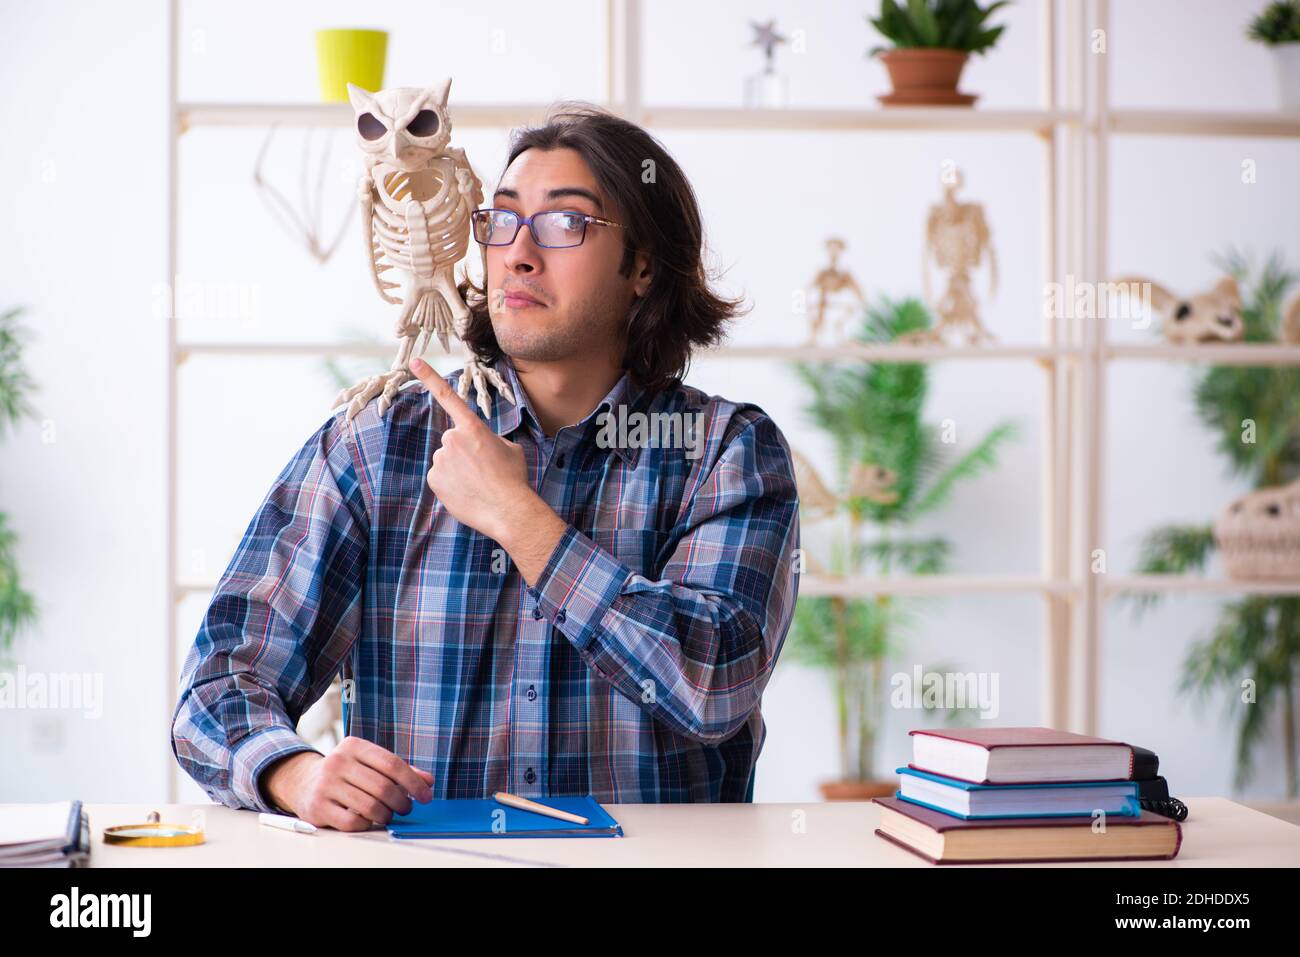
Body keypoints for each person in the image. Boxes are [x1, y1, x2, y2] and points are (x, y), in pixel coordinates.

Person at [171, 103, 801, 831]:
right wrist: (295, 772)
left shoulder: (724, 450)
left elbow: (714, 680)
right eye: (501, 220)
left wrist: (517, 516)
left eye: (566, 223)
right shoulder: (380, 444)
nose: (519, 253)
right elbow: (218, 683)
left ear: (643, 266)